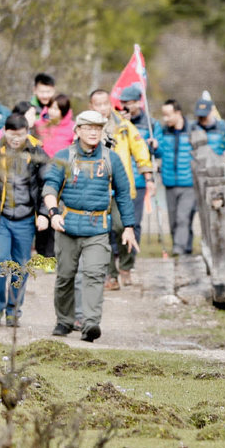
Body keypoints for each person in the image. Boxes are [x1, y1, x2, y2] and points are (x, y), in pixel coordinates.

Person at [41, 110, 139, 342]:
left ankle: (90, 324)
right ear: (77, 131)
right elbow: (50, 187)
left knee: (94, 275)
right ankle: (64, 321)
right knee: (65, 276)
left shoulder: (111, 159)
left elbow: (123, 194)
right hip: (67, 226)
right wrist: (53, 213)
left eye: (98, 128)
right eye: (88, 128)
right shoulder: (64, 156)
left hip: (97, 229)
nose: (94, 132)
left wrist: (128, 227)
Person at [0, 113, 50, 327]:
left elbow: (48, 184)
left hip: (26, 218)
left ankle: (13, 309)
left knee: (20, 266)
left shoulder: (37, 153)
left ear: (27, 132)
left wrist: (44, 213)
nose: (16, 139)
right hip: (1, 218)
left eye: (21, 135)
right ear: (5, 132)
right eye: (12, 134)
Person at [91, 88, 153, 290]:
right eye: (98, 104)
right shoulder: (87, 127)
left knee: (123, 227)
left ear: (110, 104)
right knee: (102, 232)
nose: (102, 108)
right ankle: (110, 274)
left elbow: (140, 149)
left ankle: (126, 266)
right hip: (96, 188)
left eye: (105, 104)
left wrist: (148, 175)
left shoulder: (124, 126)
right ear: (92, 106)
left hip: (121, 187)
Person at [153, 100, 197, 255]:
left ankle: (178, 249)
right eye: (163, 115)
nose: (165, 119)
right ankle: (186, 248)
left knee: (183, 217)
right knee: (173, 220)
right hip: (169, 183)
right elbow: (159, 153)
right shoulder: (163, 132)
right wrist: (155, 146)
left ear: (178, 113)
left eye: (168, 115)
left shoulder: (193, 130)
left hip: (189, 184)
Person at [194, 91, 225, 164]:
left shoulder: (224, 128)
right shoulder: (192, 128)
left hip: (218, 168)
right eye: (200, 116)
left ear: (211, 112)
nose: (202, 119)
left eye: (205, 116)